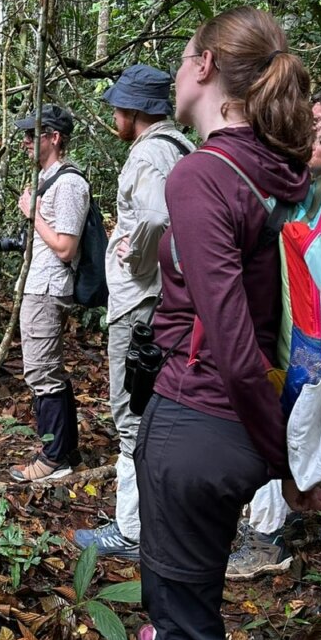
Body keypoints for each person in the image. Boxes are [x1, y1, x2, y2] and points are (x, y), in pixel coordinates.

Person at [133, 7, 321, 640]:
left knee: (186, 623)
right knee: (192, 595)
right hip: (243, 425)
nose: (177, 71)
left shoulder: (201, 176)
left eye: (184, 56)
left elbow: (233, 346)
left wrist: (288, 464)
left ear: (206, 66)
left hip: (201, 418)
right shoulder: (279, 169)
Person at [72, 65, 193, 558]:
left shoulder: (147, 154)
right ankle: (160, 520)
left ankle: (131, 530)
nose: (114, 118)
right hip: (170, 299)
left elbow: (157, 217)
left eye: (119, 109)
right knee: (162, 408)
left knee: (130, 410)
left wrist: (136, 258)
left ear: (135, 111)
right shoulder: (181, 147)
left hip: (141, 302)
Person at [227, 87, 321, 579]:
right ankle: (270, 529)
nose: (310, 139)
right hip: (288, 342)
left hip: (317, 347)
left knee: (303, 433)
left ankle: (269, 538)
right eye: (309, 127)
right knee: (282, 429)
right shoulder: (298, 187)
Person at [8, 104, 90, 483]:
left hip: (48, 289)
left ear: (54, 137)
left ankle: (52, 457)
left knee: (42, 373)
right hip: (37, 285)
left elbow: (65, 247)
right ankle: (66, 451)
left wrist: (33, 214)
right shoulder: (48, 178)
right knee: (48, 371)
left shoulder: (69, 183)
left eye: (32, 134)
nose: (25, 141)